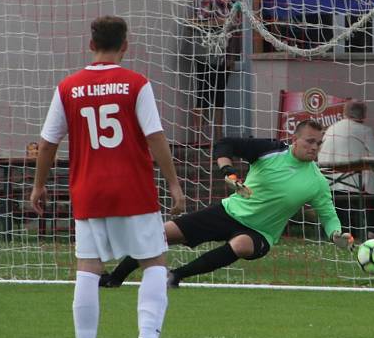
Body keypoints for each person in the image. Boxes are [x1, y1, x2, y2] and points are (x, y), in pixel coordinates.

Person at [30, 15, 185, 338]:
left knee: (88, 269)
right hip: (133, 188)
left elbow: (48, 142)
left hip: (88, 191)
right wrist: (174, 183)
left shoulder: (68, 87)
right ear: (125, 45)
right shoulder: (135, 84)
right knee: (154, 263)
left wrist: (39, 185)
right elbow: (155, 136)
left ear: (90, 45)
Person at [100, 120, 354, 289]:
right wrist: (228, 172)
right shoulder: (269, 150)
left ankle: (175, 276)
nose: (314, 147)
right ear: (294, 139)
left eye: (319, 143)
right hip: (228, 212)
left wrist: (336, 234)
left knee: (241, 244)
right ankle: (114, 278)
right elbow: (225, 143)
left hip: (260, 233)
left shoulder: (317, 181)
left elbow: (328, 214)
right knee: (161, 233)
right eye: (309, 141)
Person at [319, 100, 374, 239]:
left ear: (344, 113)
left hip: (328, 186)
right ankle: (372, 233)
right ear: (364, 115)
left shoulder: (330, 129)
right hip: (353, 187)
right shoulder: (365, 130)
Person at [192, 0, 241, 144]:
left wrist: (232, 57)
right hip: (207, 53)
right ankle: (199, 138)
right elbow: (197, 22)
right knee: (203, 94)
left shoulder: (234, 4)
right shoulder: (209, 2)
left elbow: (236, 32)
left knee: (219, 95)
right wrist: (219, 22)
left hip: (224, 54)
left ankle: (217, 138)